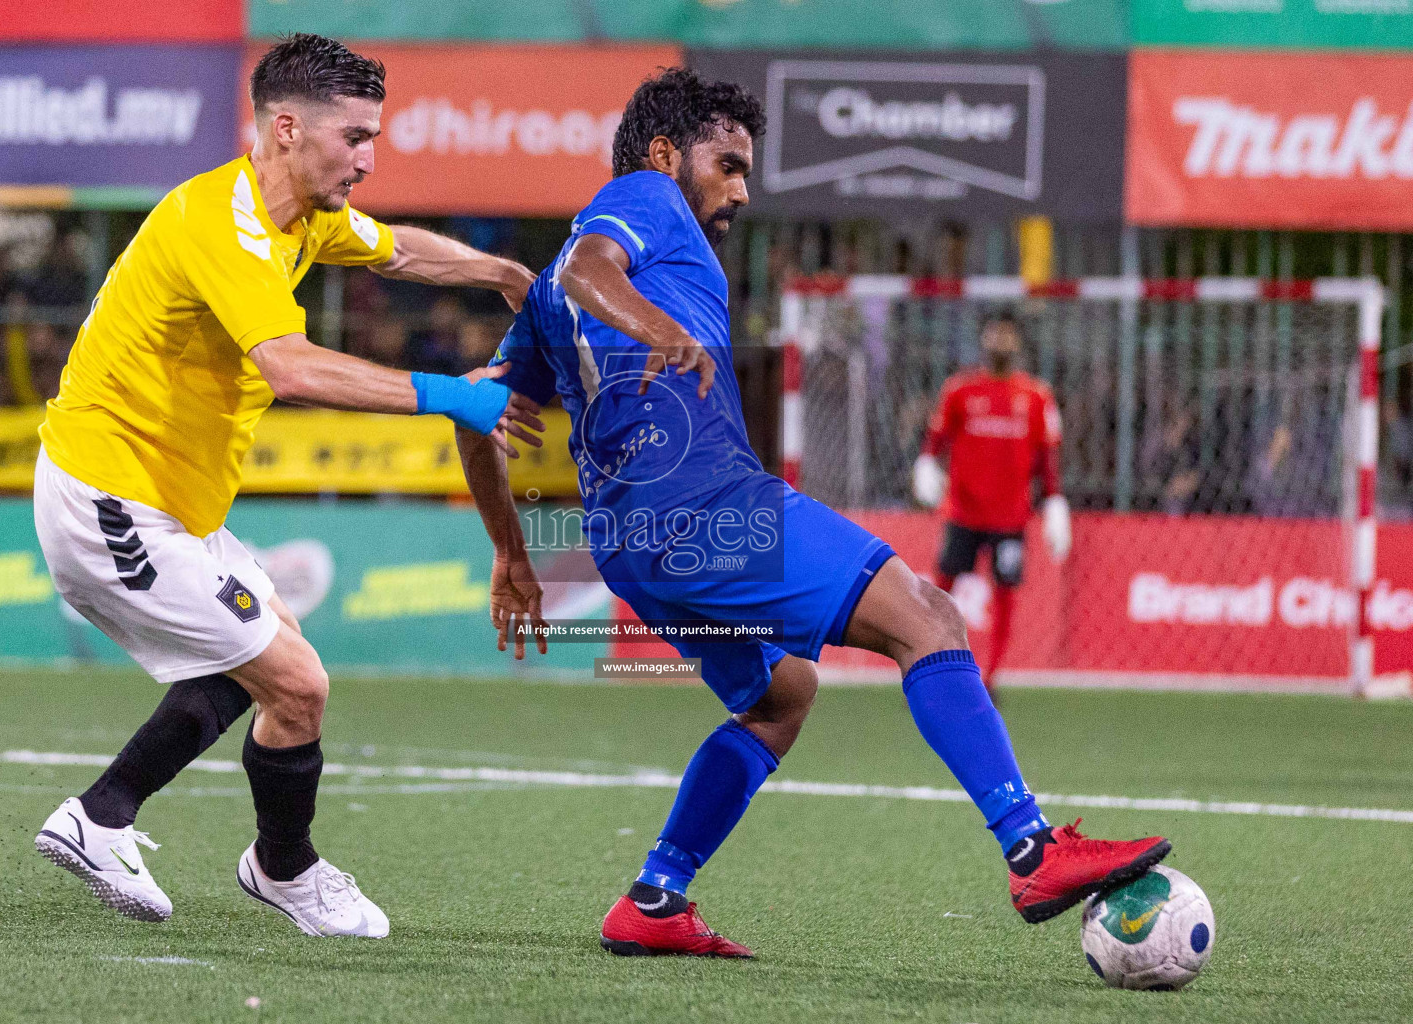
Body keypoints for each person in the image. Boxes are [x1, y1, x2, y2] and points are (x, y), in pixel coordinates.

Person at [454, 68, 1169, 958]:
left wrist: (510, 557)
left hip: (628, 549)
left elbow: (474, 415)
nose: (741, 189)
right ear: (666, 154)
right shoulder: (640, 200)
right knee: (929, 618)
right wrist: (656, 328)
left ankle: (655, 899)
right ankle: (1031, 848)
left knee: (781, 696)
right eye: (728, 164)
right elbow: (602, 270)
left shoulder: (545, 289)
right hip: (707, 508)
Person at [30, 34, 545, 939]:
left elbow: (395, 254)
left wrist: (501, 273)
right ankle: (286, 872)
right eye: (353, 137)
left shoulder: (302, 217)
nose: (368, 158)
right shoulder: (220, 224)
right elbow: (292, 368)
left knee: (270, 649)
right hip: (109, 496)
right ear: (286, 126)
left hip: (169, 504)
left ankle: (103, 815)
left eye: (373, 136)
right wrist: (453, 396)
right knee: (298, 685)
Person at [911, 313, 1070, 696]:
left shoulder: (1036, 397)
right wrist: (926, 468)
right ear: (982, 339)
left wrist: (1055, 505)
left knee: (1004, 597)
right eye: (994, 332)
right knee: (941, 592)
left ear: (1018, 342)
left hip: (1010, 518)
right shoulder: (960, 391)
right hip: (964, 513)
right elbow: (934, 444)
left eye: (1008, 333)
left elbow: (1047, 463)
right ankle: (925, 668)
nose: (1000, 339)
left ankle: (989, 678)